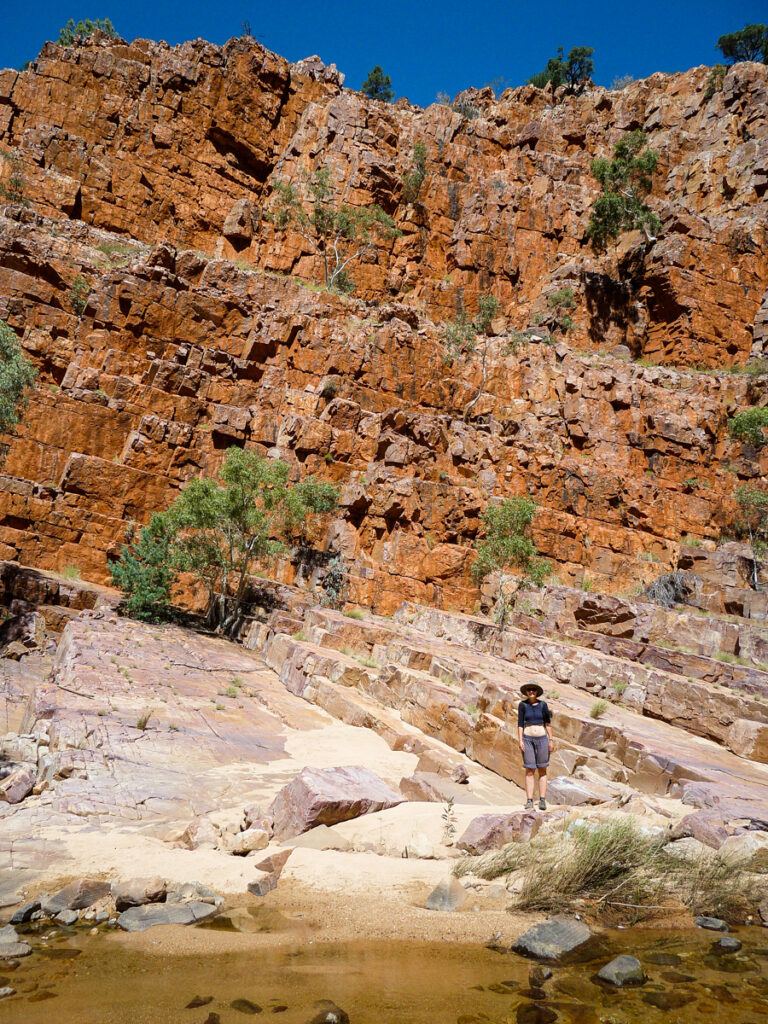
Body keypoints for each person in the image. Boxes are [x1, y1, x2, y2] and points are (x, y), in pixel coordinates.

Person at [517, 681, 554, 810]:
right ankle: (529, 800)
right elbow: (520, 724)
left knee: (542, 769)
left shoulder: (543, 705)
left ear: (537, 691)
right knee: (529, 770)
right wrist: (520, 740)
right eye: (529, 690)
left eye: (533, 689)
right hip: (527, 739)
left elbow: (547, 723)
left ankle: (542, 800)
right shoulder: (523, 705)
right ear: (526, 692)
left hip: (542, 739)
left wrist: (551, 739)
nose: (531, 691)